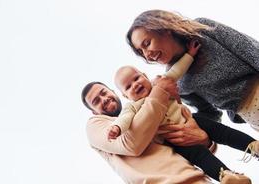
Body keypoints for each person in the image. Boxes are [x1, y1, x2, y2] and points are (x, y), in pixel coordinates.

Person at [110, 64, 258, 182]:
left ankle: (253, 146)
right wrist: (117, 128)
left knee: (223, 132)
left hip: (192, 119)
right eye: (128, 87)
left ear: (145, 75)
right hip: (175, 139)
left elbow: (176, 70)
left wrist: (189, 55)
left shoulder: (160, 83)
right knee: (200, 157)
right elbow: (124, 118)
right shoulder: (133, 107)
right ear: (125, 95)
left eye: (136, 78)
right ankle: (225, 175)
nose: (135, 85)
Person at [126, 9, 259, 132]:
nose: (147, 55)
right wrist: (187, 121)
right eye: (141, 52)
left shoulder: (201, 29)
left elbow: (249, 50)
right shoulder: (175, 80)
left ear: (164, 29)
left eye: (147, 44)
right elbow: (210, 114)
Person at [82, 78, 214, 184]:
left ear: (113, 91)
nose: (104, 99)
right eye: (96, 101)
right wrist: (159, 92)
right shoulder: (94, 124)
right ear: (94, 112)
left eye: (104, 93)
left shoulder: (141, 113)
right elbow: (131, 144)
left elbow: (180, 142)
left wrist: (205, 140)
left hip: (197, 177)